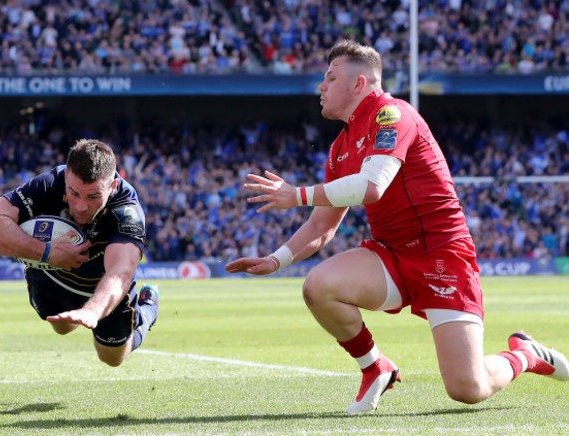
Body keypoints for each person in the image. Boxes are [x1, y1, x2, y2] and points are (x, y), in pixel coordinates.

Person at [225, 40, 568, 413]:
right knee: (318, 287)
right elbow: (324, 224)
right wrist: (275, 260)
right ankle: (375, 368)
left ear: (359, 84)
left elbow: (372, 186)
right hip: (392, 254)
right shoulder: (340, 147)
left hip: (441, 254)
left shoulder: (392, 114)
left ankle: (525, 354)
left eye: (330, 77)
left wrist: (298, 195)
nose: (321, 86)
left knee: (468, 388)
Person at [0, 139, 159, 367]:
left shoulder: (127, 210)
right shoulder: (50, 183)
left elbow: (120, 273)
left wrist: (92, 310)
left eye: (93, 197)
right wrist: (47, 252)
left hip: (101, 285)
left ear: (111, 187)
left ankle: (148, 310)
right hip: (52, 273)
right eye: (74, 193)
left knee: (112, 358)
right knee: (62, 328)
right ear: (66, 178)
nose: (81, 206)